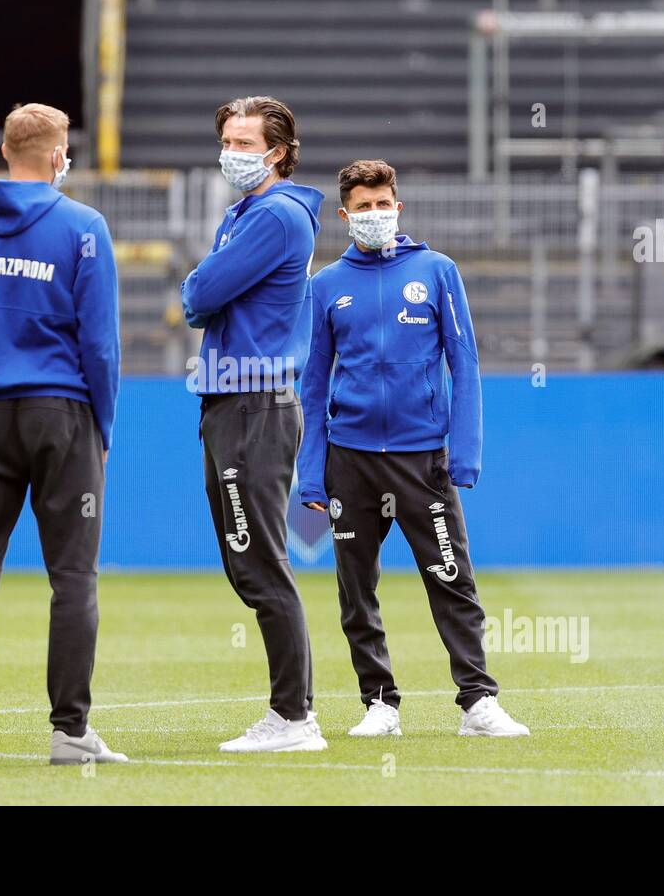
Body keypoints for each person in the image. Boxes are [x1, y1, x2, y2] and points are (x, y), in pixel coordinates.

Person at [0, 103, 126, 766]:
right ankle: (69, 733)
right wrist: (103, 422)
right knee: (73, 577)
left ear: (8, 150)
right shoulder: (84, 228)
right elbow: (100, 344)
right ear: (57, 152)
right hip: (62, 413)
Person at [296, 159, 529, 738]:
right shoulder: (324, 286)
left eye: (384, 204)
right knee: (356, 588)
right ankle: (379, 704)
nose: (375, 215)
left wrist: (464, 453)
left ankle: (478, 701)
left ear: (398, 207)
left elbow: (464, 363)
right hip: (349, 460)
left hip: (422, 459)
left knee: (451, 578)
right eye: (363, 207)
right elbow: (312, 382)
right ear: (345, 216)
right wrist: (310, 474)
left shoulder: (438, 270)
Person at [181, 95, 327, 752]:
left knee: (260, 562)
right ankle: (291, 712)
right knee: (249, 563)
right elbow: (205, 292)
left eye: (247, 143)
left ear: (280, 151)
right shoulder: (248, 213)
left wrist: (200, 286)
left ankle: (294, 717)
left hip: (254, 403)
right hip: (232, 402)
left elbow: (199, 294)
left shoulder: (274, 216)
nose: (234, 154)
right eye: (229, 141)